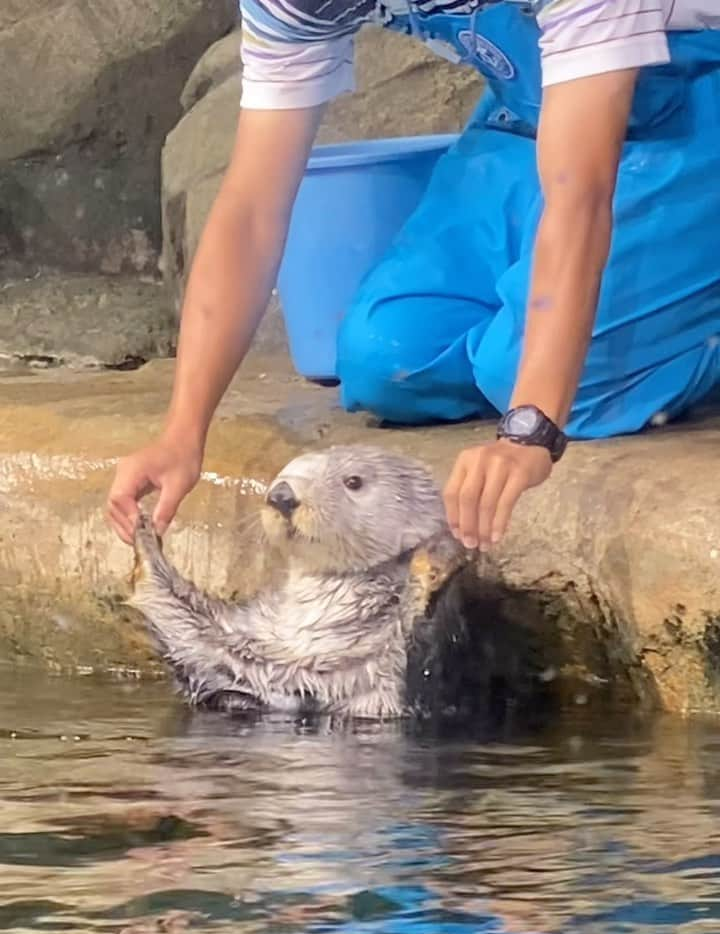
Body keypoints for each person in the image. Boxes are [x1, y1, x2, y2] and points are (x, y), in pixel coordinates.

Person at [108, 1, 720, 553]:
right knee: (385, 357)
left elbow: (581, 197)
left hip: (695, 97)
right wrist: (183, 432)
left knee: (549, 385)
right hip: (537, 113)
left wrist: (529, 428)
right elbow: (250, 210)